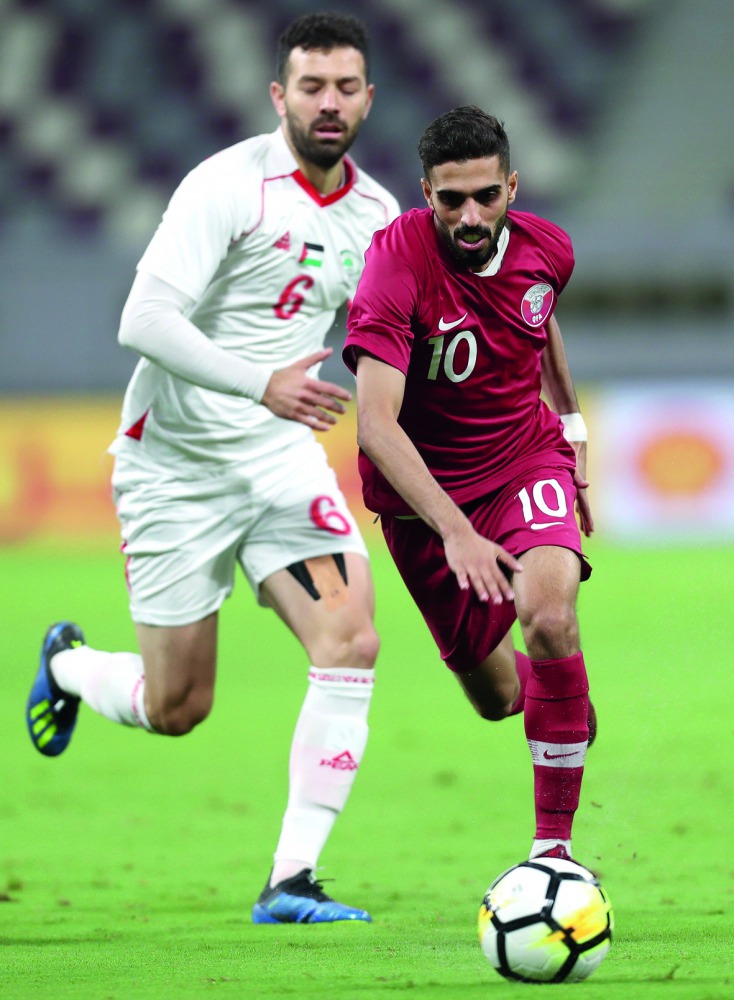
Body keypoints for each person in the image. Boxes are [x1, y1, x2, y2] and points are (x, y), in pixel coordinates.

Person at [26, 12, 400, 925]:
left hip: (280, 461)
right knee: (177, 706)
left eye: (345, 87)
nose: (328, 103)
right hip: (176, 467)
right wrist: (259, 383)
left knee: (352, 640)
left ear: (368, 99)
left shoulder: (379, 215)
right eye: (311, 86)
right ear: (280, 96)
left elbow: (398, 344)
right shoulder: (227, 185)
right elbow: (143, 321)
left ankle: (291, 880)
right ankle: (71, 668)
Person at [343, 105, 595, 863]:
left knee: (549, 620)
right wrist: (456, 529)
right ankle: (563, 700)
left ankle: (553, 858)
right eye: (450, 199)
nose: (470, 214)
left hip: (524, 462)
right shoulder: (396, 265)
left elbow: (538, 320)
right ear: (427, 194)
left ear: (512, 186)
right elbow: (376, 427)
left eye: (486, 195)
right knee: (499, 698)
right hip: (424, 507)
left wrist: (573, 431)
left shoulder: (551, 249)